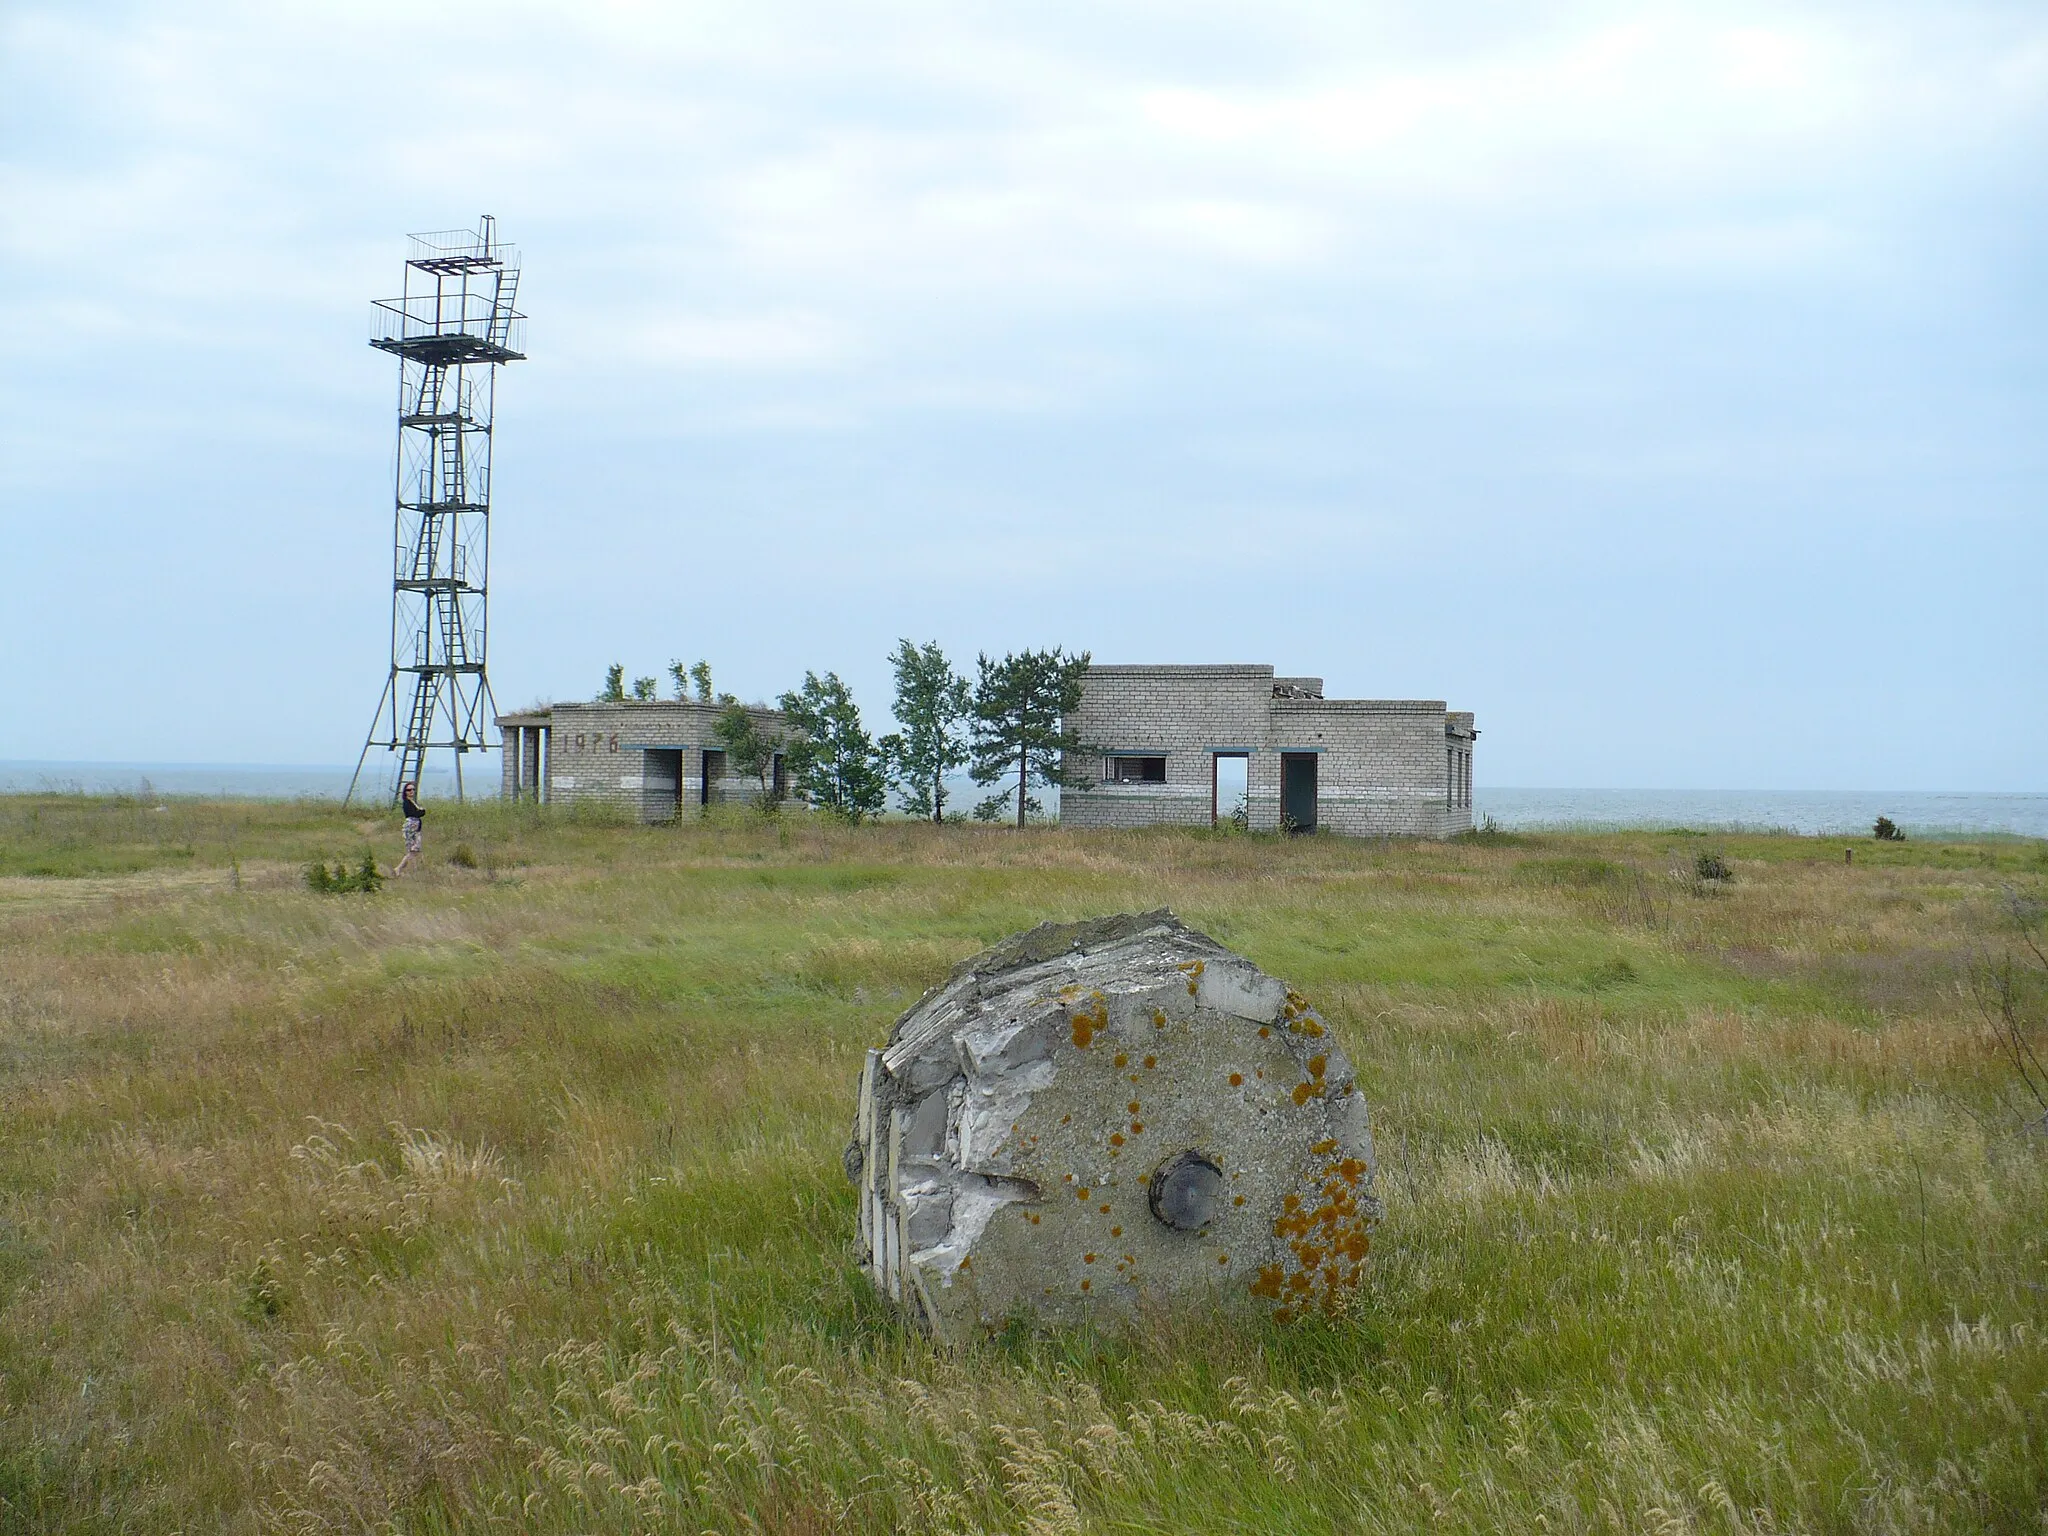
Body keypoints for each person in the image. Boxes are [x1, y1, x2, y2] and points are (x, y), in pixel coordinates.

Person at [394, 781, 425, 876]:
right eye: (409, 790)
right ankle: (399, 868)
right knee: (413, 849)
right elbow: (415, 814)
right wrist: (422, 811)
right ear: (405, 792)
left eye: (413, 789)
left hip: (415, 826)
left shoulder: (412, 802)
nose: (411, 791)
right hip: (411, 826)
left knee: (414, 850)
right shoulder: (407, 803)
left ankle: (411, 870)